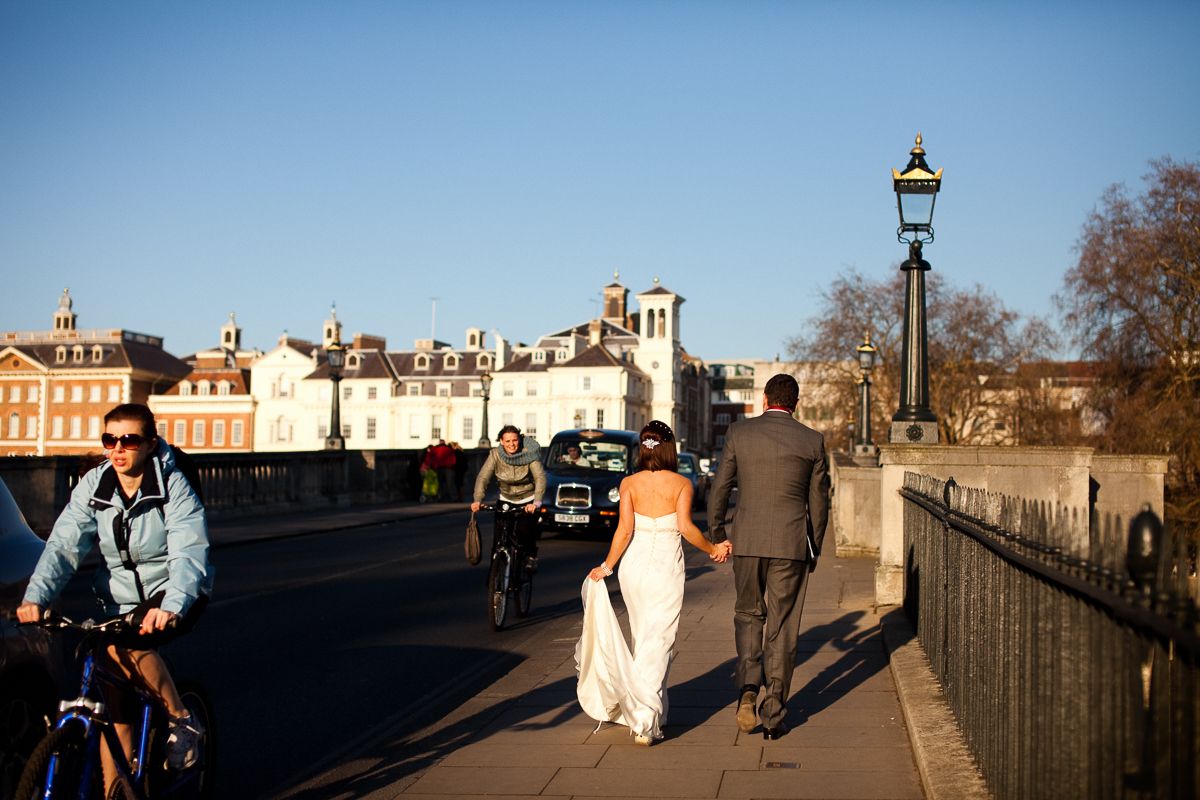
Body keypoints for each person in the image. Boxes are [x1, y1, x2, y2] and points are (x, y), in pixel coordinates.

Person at [17, 403, 214, 792]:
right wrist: (36, 597)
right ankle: (117, 789)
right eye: (110, 439)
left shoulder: (172, 483)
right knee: (112, 707)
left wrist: (173, 604)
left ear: (150, 443)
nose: (118, 448)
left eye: (129, 440)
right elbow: (64, 546)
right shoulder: (95, 484)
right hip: (119, 602)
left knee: (123, 645)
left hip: (176, 588)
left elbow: (189, 547)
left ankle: (181, 720)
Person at [575, 420, 731, 745]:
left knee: (643, 637)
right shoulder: (682, 484)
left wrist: (607, 566)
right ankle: (644, 719)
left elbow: (625, 531)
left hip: (633, 566)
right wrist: (713, 548)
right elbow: (687, 529)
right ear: (669, 448)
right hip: (665, 569)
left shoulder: (629, 483)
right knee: (659, 640)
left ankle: (651, 711)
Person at [707, 373, 829, 740]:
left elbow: (721, 487)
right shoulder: (812, 440)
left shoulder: (740, 434)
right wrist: (813, 546)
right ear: (796, 403)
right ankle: (774, 710)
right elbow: (819, 504)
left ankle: (747, 689)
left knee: (748, 614)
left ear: (764, 399)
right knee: (783, 626)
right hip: (790, 544)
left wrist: (718, 534)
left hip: (748, 541)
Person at [470, 425, 546, 570]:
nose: (512, 444)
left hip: (527, 499)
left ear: (519, 440)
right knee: (498, 541)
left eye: (515, 440)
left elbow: (540, 477)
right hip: (506, 499)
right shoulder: (495, 455)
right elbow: (483, 477)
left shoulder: (529, 453)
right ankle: (495, 583)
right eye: (508, 441)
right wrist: (478, 500)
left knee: (524, 532)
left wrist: (536, 502)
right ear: (501, 441)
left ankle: (530, 555)